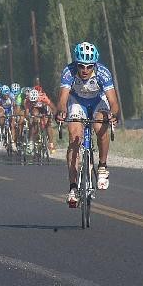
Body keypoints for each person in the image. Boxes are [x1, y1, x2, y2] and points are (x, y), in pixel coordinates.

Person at [55, 42, 119, 207]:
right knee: (75, 137)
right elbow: (62, 100)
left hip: (98, 102)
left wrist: (114, 114)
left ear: (94, 65)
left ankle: (103, 165)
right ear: (76, 63)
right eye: (81, 66)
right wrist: (61, 112)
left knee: (100, 126)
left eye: (89, 66)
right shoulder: (68, 72)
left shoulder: (103, 73)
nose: (85, 70)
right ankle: (73, 188)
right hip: (77, 102)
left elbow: (113, 101)